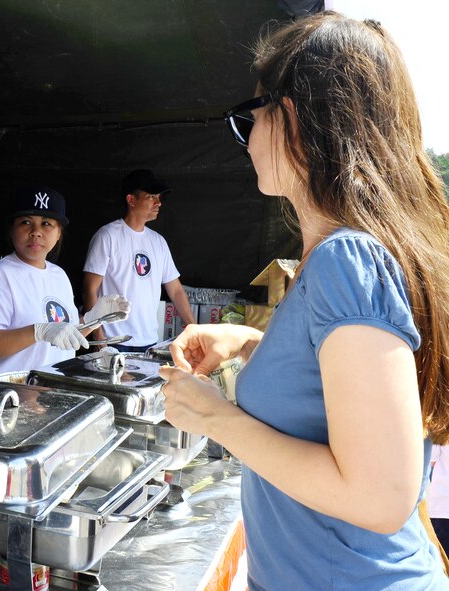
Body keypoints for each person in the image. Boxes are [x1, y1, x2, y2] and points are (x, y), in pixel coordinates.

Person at [160, 13, 449, 590]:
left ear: (288, 117)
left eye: (252, 117)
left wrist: (213, 416)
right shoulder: (348, 257)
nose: (247, 140)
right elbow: (344, 393)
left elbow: (379, 496)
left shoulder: (348, 263)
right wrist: (247, 342)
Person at [0, 185, 129, 378]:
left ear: (59, 233)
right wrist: (38, 331)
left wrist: (92, 319)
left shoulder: (59, 275)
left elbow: (65, 336)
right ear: (12, 230)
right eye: (26, 222)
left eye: (46, 224)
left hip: (50, 390)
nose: (36, 232)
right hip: (5, 394)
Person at [83, 169, 194, 352]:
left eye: (158, 197)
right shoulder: (108, 236)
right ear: (131, 200)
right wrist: (99, 340)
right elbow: (89, 289)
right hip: (114, 341)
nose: (158, 203)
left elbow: (176, 290)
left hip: (149, 342)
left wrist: (193, 328)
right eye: (151, 196)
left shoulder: (158, 241)